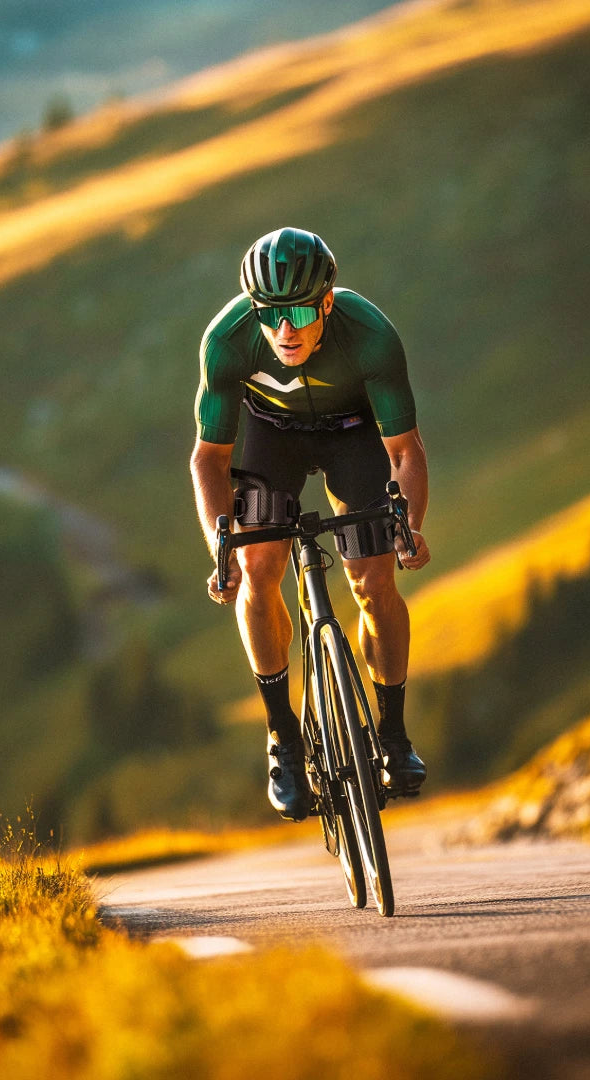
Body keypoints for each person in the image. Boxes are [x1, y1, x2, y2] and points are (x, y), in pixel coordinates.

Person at [190, 227, 430, 821]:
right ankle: (284, 740)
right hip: (271, 436)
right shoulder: (226, 342)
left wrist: (410, 526)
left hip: (354, 434)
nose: (285, 330)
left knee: (373, 581)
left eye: (299, 311)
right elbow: (209, 460)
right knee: (258, 566)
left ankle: (393, 736)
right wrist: (221, 546)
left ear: (326, 303)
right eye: (269, 313)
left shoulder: (370, 335)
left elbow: (404, 451)